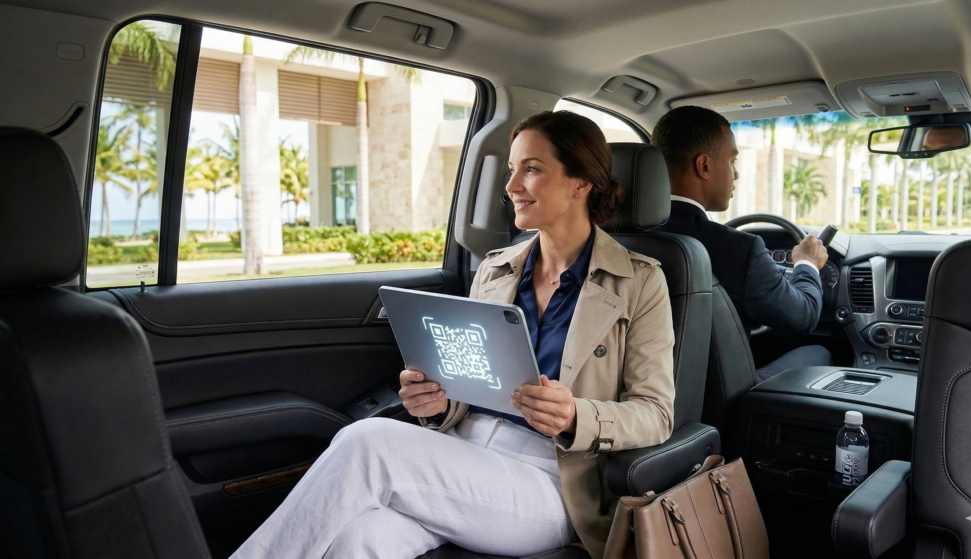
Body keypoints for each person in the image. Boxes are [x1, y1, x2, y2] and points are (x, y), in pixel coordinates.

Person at [231, 111, 675, 559]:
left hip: (550, 480)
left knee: (368, 442)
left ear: (581, 182)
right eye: (512, 169)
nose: (512, 185)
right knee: (360, 540)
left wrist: (575, 416)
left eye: (532, 168)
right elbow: (472, 381)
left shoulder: (640, 282)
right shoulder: (497, 269)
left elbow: (656, 413)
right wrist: (438, 404)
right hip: (462, 452)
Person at [651, 105, 830, 382]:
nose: (736, 174)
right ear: (704, 166)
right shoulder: (738, 249)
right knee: (820, 351)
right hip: (719, 402)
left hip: (642, 394)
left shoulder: (613, 236)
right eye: (732, 161)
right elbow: (803, 316)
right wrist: (806, 262)